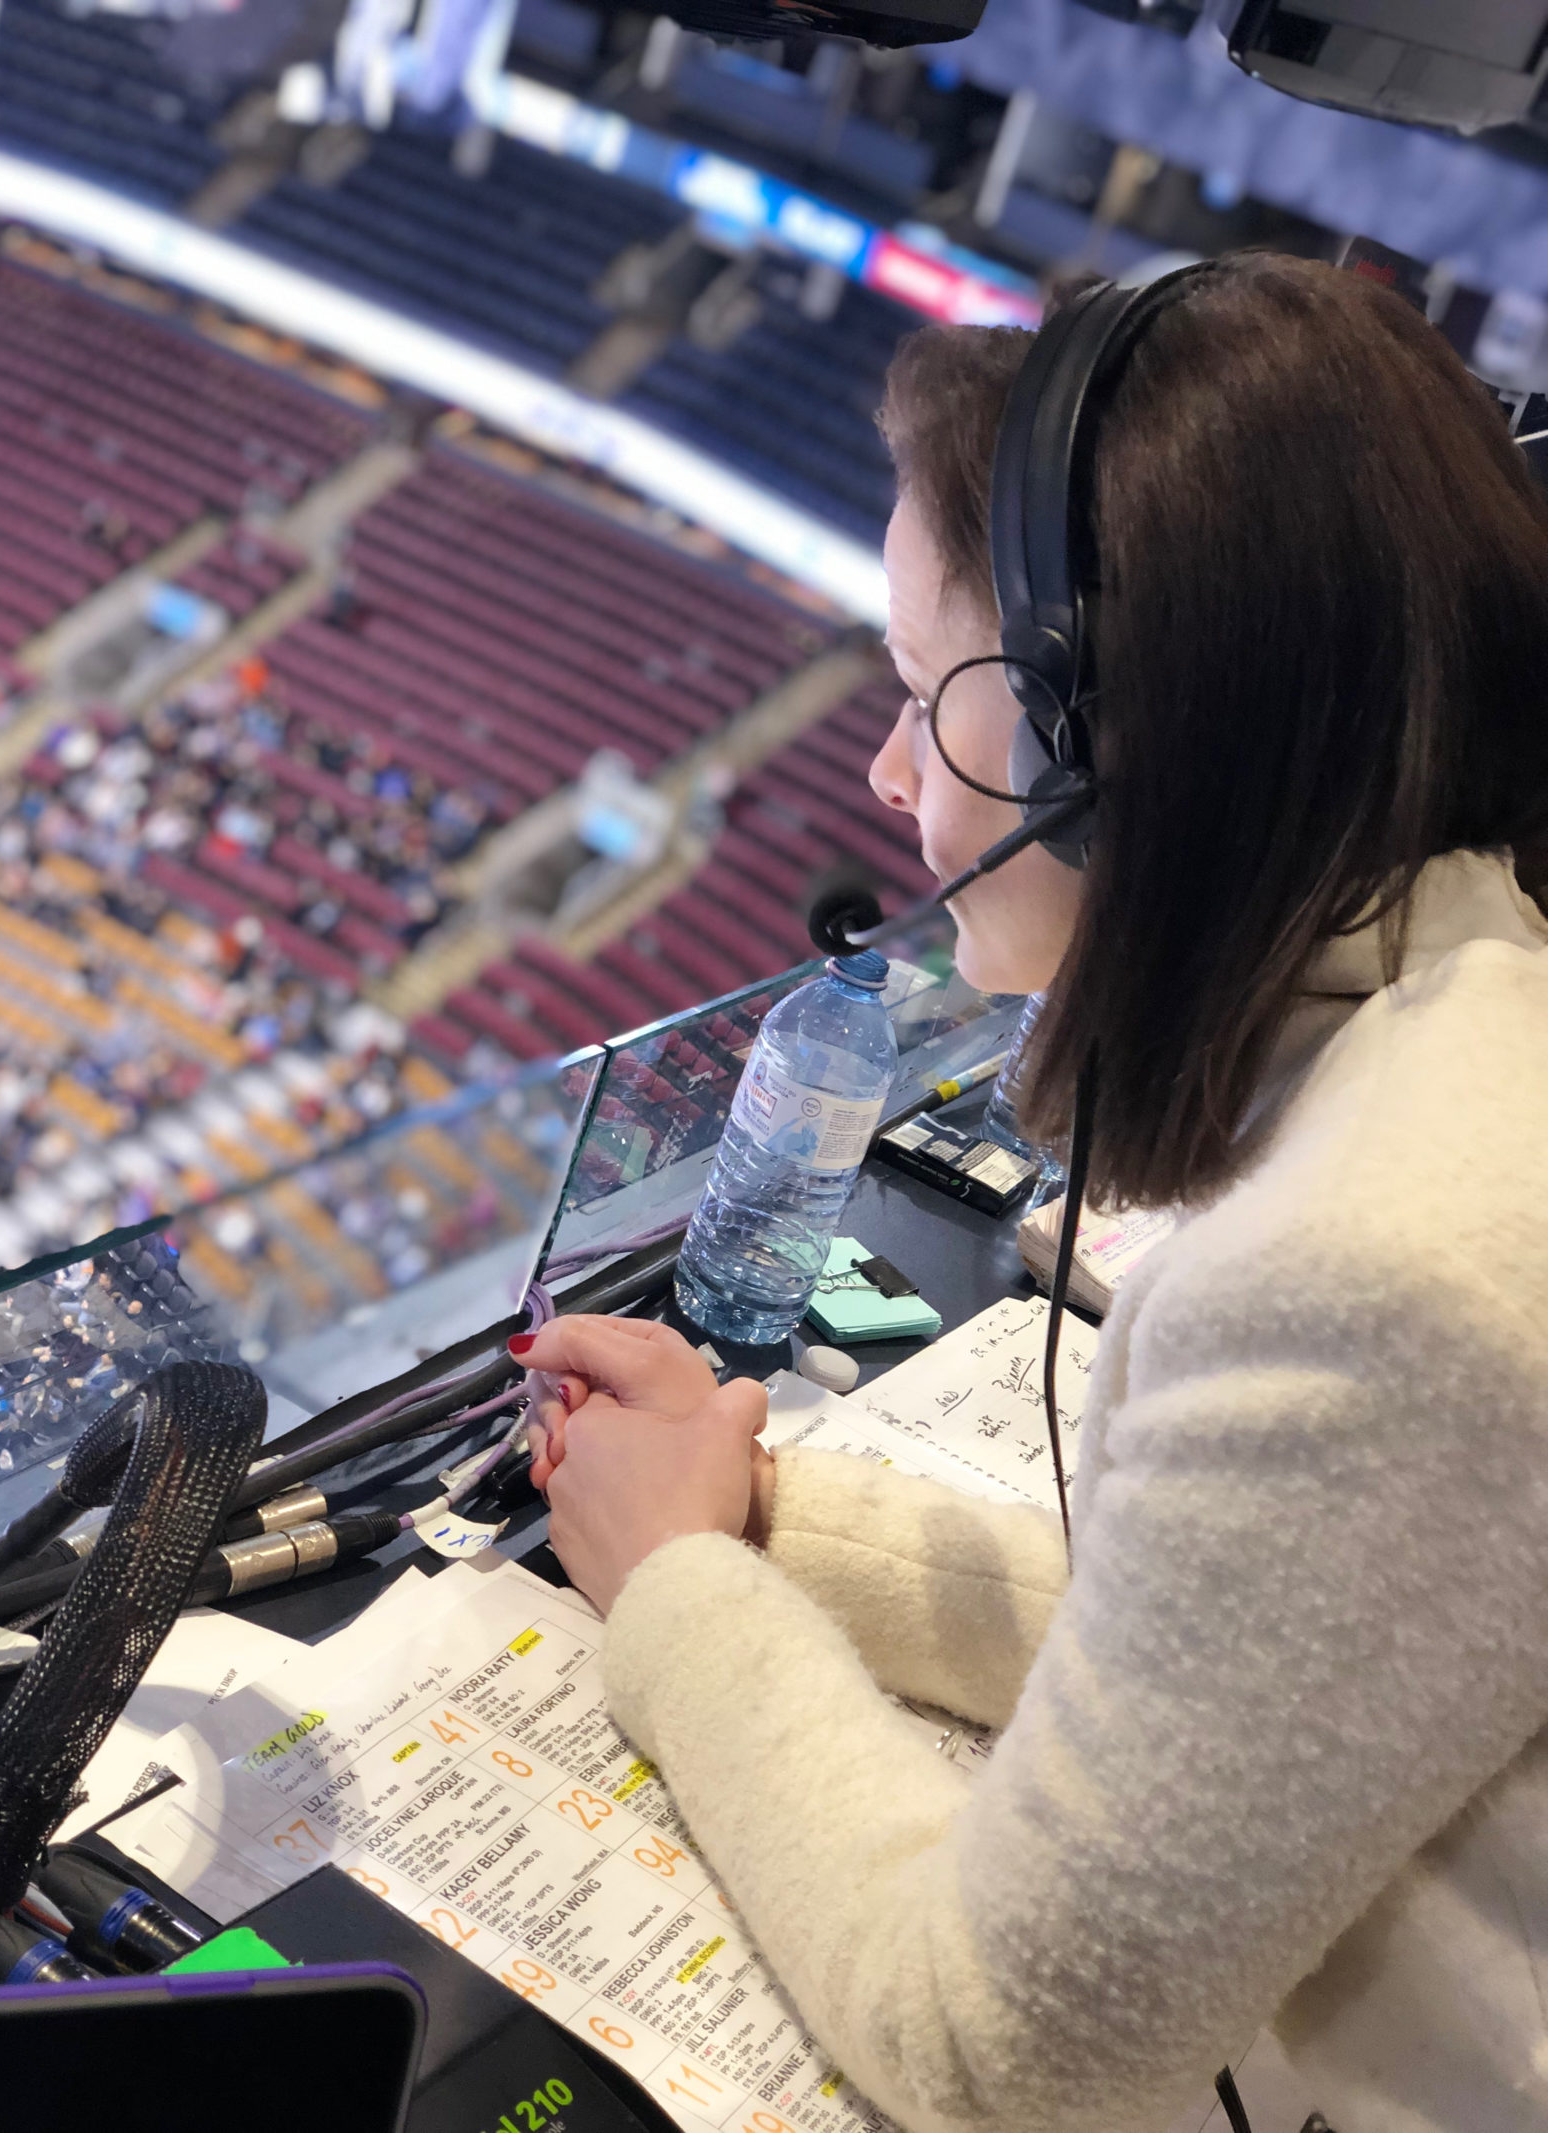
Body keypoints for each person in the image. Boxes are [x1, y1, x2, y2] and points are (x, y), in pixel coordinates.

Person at [514, 253, 1548, 2133]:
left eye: (931, 693)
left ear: (1099, 742)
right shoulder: (1475, 1013)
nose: (894, 764)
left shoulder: (1370, 1272)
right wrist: (760, 1511)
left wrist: (673, 1589)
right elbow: (1257, 1662)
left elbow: (1016, 2056)